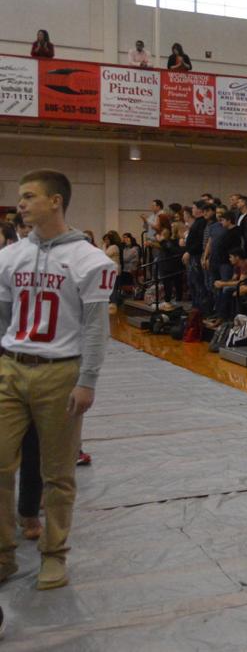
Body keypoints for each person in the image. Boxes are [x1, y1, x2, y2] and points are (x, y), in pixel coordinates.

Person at [0, 170, 117, 589]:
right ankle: (4, 554)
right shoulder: (9, 256)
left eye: (29, 196)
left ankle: (54, 554)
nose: (21, 203)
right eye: (20, 196)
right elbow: (3, 313)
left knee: (58, 472)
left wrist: (87, 381)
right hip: (11, 367)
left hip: (60, 371)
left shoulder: (92, 259)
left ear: (56, 202)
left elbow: (94, 328)